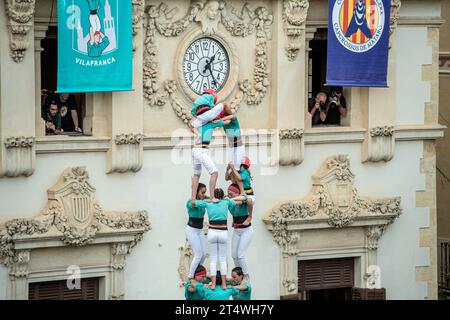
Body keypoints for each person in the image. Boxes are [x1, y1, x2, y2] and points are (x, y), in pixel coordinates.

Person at [192, 188, 245, 290]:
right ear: (222, 195)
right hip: (223, 232)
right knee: (222, 260)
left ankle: (213, 284)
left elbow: (195, 202)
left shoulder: (208, 203)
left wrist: (208, 200)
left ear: (214, 195)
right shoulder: (226, 202)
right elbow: (241, 201)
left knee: (213, 260)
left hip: (212, 231)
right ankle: (224, 284)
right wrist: (226, 198)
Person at [190, 116, 231, 203]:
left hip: (195, 150)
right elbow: (228, 121)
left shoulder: (199, 123)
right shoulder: (211, 123)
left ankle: (193, 198)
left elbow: (191, 125)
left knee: (196, 174)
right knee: (214, 172)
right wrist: (220, 120)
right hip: (201, 151)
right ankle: (212, 197)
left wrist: (197, 132)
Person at [227, 184, 253, 281]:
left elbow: (249, 200)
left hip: (246, 230)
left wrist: (250, 216)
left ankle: (246, 275)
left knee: (241, 254)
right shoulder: (230, 202)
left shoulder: (243, 200)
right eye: (228, 193)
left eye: (231, 194)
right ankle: (239, 273)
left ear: (237, 194)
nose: (229, 195)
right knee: (234, 254)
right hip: (237, 231)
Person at [185, 183, 208, 280]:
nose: (204, 194)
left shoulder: (203, 201)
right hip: (191, 230)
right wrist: (209, 200)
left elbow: (204, 202)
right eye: (202, 192)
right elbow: (197, 203)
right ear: (196, 192)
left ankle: (197, 271)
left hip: (199, 230)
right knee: (198, 254)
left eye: (205, 192)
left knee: (203, 255)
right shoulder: (190, 202)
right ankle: (190, 276)